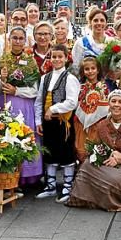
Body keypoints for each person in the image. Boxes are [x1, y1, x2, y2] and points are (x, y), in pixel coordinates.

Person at [67, 89, 121, 212]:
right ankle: (94, 197)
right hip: (107, 161)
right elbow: (96, 147)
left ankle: (114, 198)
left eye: (120, 102)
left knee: (116, 178)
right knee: (86, 166)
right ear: (109, 104)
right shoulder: (102, 125)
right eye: (113, 101)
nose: (116, 105)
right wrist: (108, 155)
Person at [0, 26, 43, 189]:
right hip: (5, 103)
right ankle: (7, 174)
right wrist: (1, 79)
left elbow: (35, 89)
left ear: (25, 41)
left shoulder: (30, 61)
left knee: (24, 136)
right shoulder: (2, 59)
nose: (17, 41)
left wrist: (16, 90)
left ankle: (27, 176)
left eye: (20, 38)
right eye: (14, 38)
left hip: (24, 104)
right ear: (9, 40)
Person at [36, 44, 81, 203]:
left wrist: (53, 109)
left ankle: (68, 186)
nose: (56, 59)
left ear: (66, 58)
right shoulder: (44, 78)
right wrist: (38, 120)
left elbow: (71, 102)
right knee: (50, 153)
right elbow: (39, 101)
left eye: (60, 57)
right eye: (53, 56)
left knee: (66, 153)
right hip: (48, 123)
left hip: (63, 123)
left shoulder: (70, 78)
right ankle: (51, 186)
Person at [72, 55, 114, 164]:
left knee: (95, 149)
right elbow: (76, 103)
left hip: (98, 124)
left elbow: (107, 106)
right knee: (81, 148)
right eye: (87, 69)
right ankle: (82, 172)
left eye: (93, 68)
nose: (90, 71)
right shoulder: (80, 87)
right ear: (82, 71)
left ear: (98, 70)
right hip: (81, 123)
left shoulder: (104, 87)